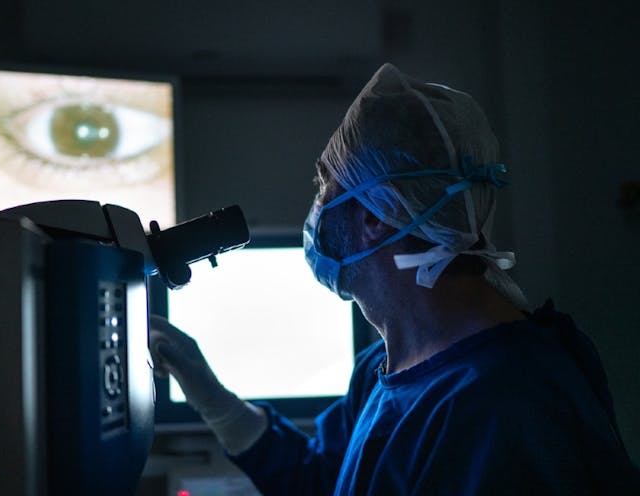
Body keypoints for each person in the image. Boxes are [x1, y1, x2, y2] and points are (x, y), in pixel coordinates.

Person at [149, 63, 640, 494]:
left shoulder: (507, 407)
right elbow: (320, 482)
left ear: (376, 217)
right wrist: (212, 398)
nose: (317, 209)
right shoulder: (386, 365)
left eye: (325, 186)